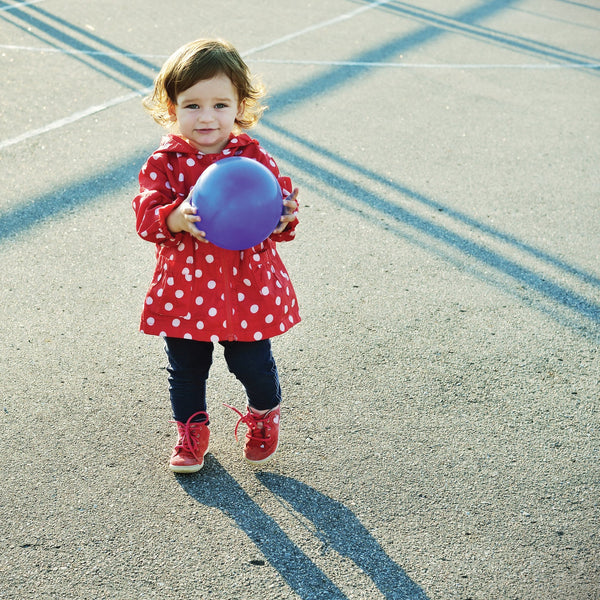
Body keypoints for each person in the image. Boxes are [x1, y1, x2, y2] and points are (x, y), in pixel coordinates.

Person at [132, 39, 300, 473]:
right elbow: (146, 216)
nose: (206, 117)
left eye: (220, 104)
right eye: (192, 105)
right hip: (186, 286)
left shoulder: (253, 156)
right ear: (172, 108)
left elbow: (273, 218)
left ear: (240, 106)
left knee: (252, 364)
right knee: (185, 369)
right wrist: (175, 218)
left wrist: (284, 216)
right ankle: (191, 431)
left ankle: (264, 413)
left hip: (244, 286)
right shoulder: (165, 162)